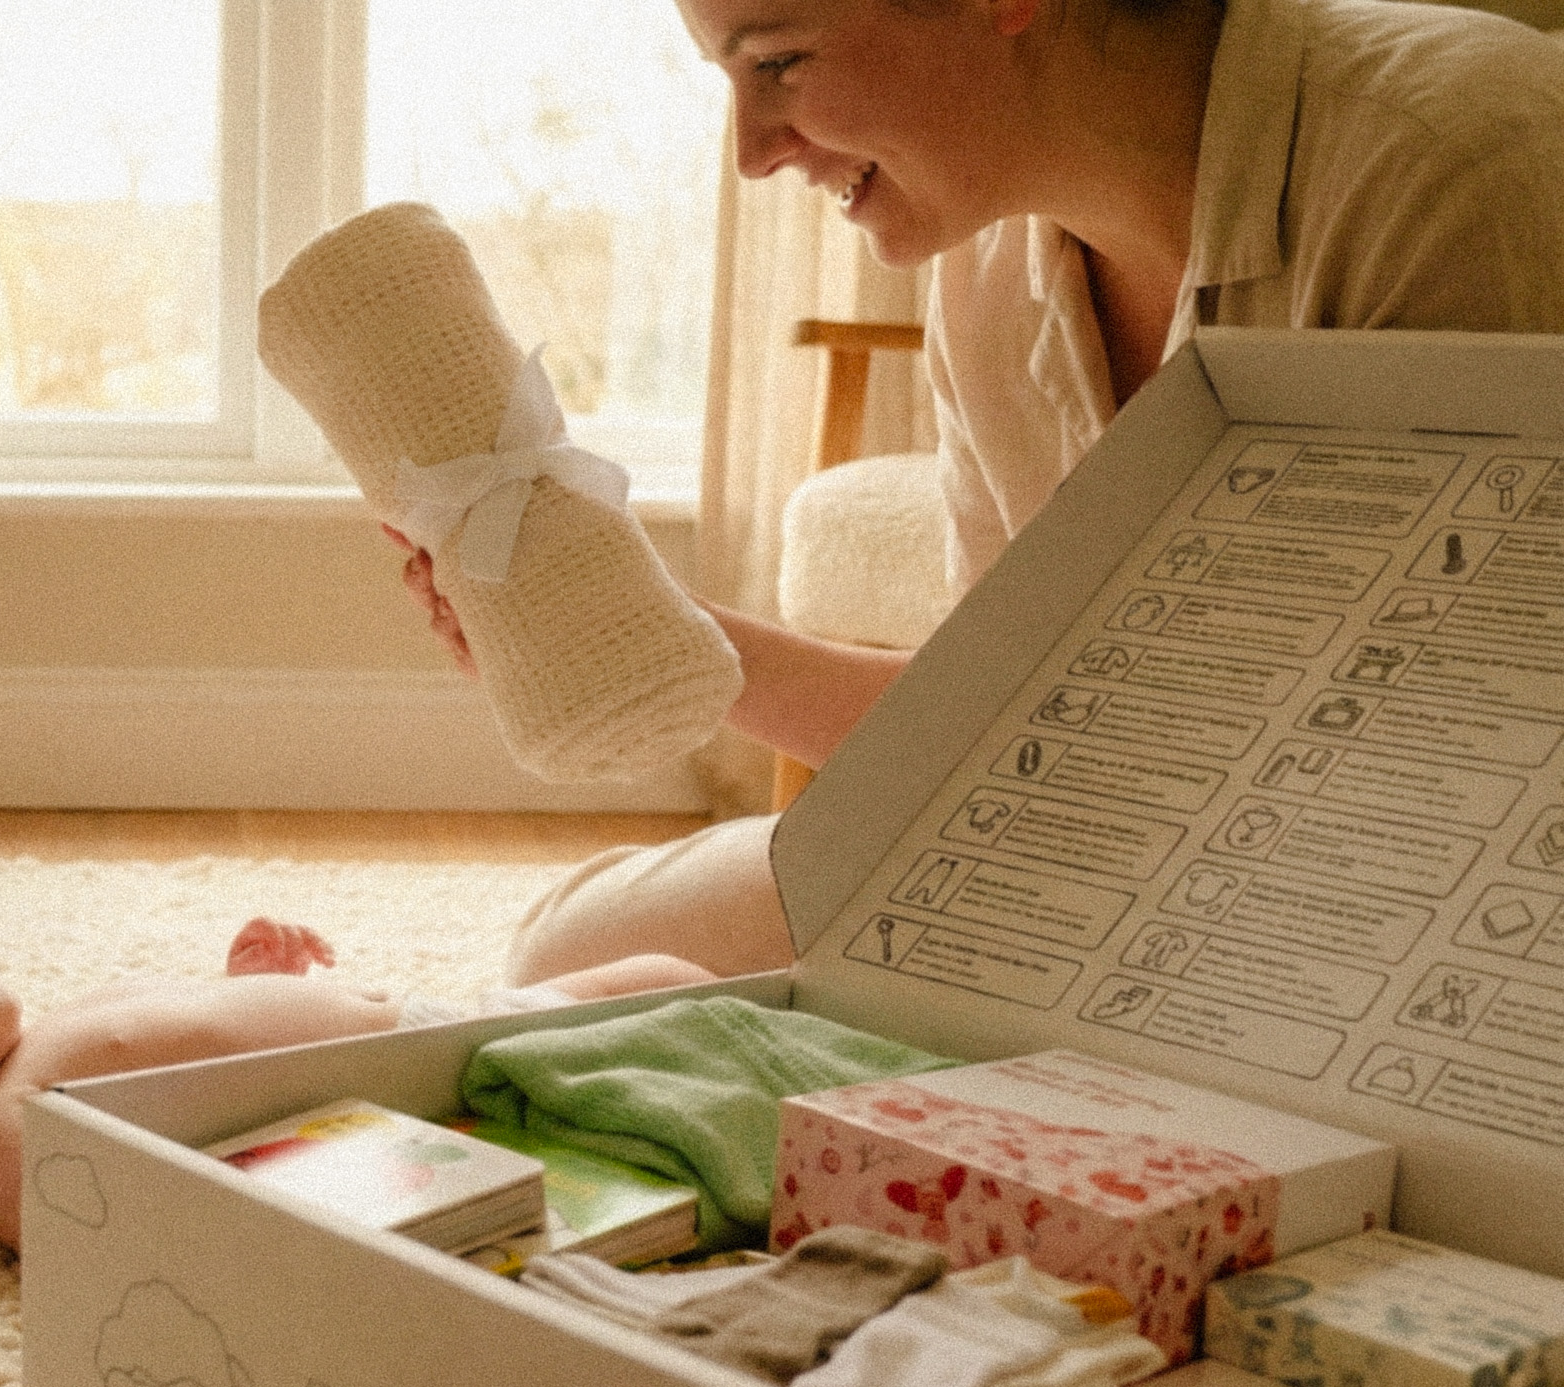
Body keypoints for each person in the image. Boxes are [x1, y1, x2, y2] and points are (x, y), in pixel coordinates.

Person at [430, 0, 1564, 987]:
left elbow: (1401, 783)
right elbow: (1017, 732)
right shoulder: (984, 280)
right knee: (573, 954)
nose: (753, 153)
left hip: (1433, 882)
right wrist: (659, 642)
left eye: (777, 63)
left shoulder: (1453, 159)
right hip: (1168, 848)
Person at [0, 888, 711, 1249]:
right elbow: (133, 1220)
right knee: (669, 980)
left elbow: (190, 1065)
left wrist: (246, 985)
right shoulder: (4, 1144)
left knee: (662, 982)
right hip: (447, 1061)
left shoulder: (22, 1067)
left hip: (421, 1029)